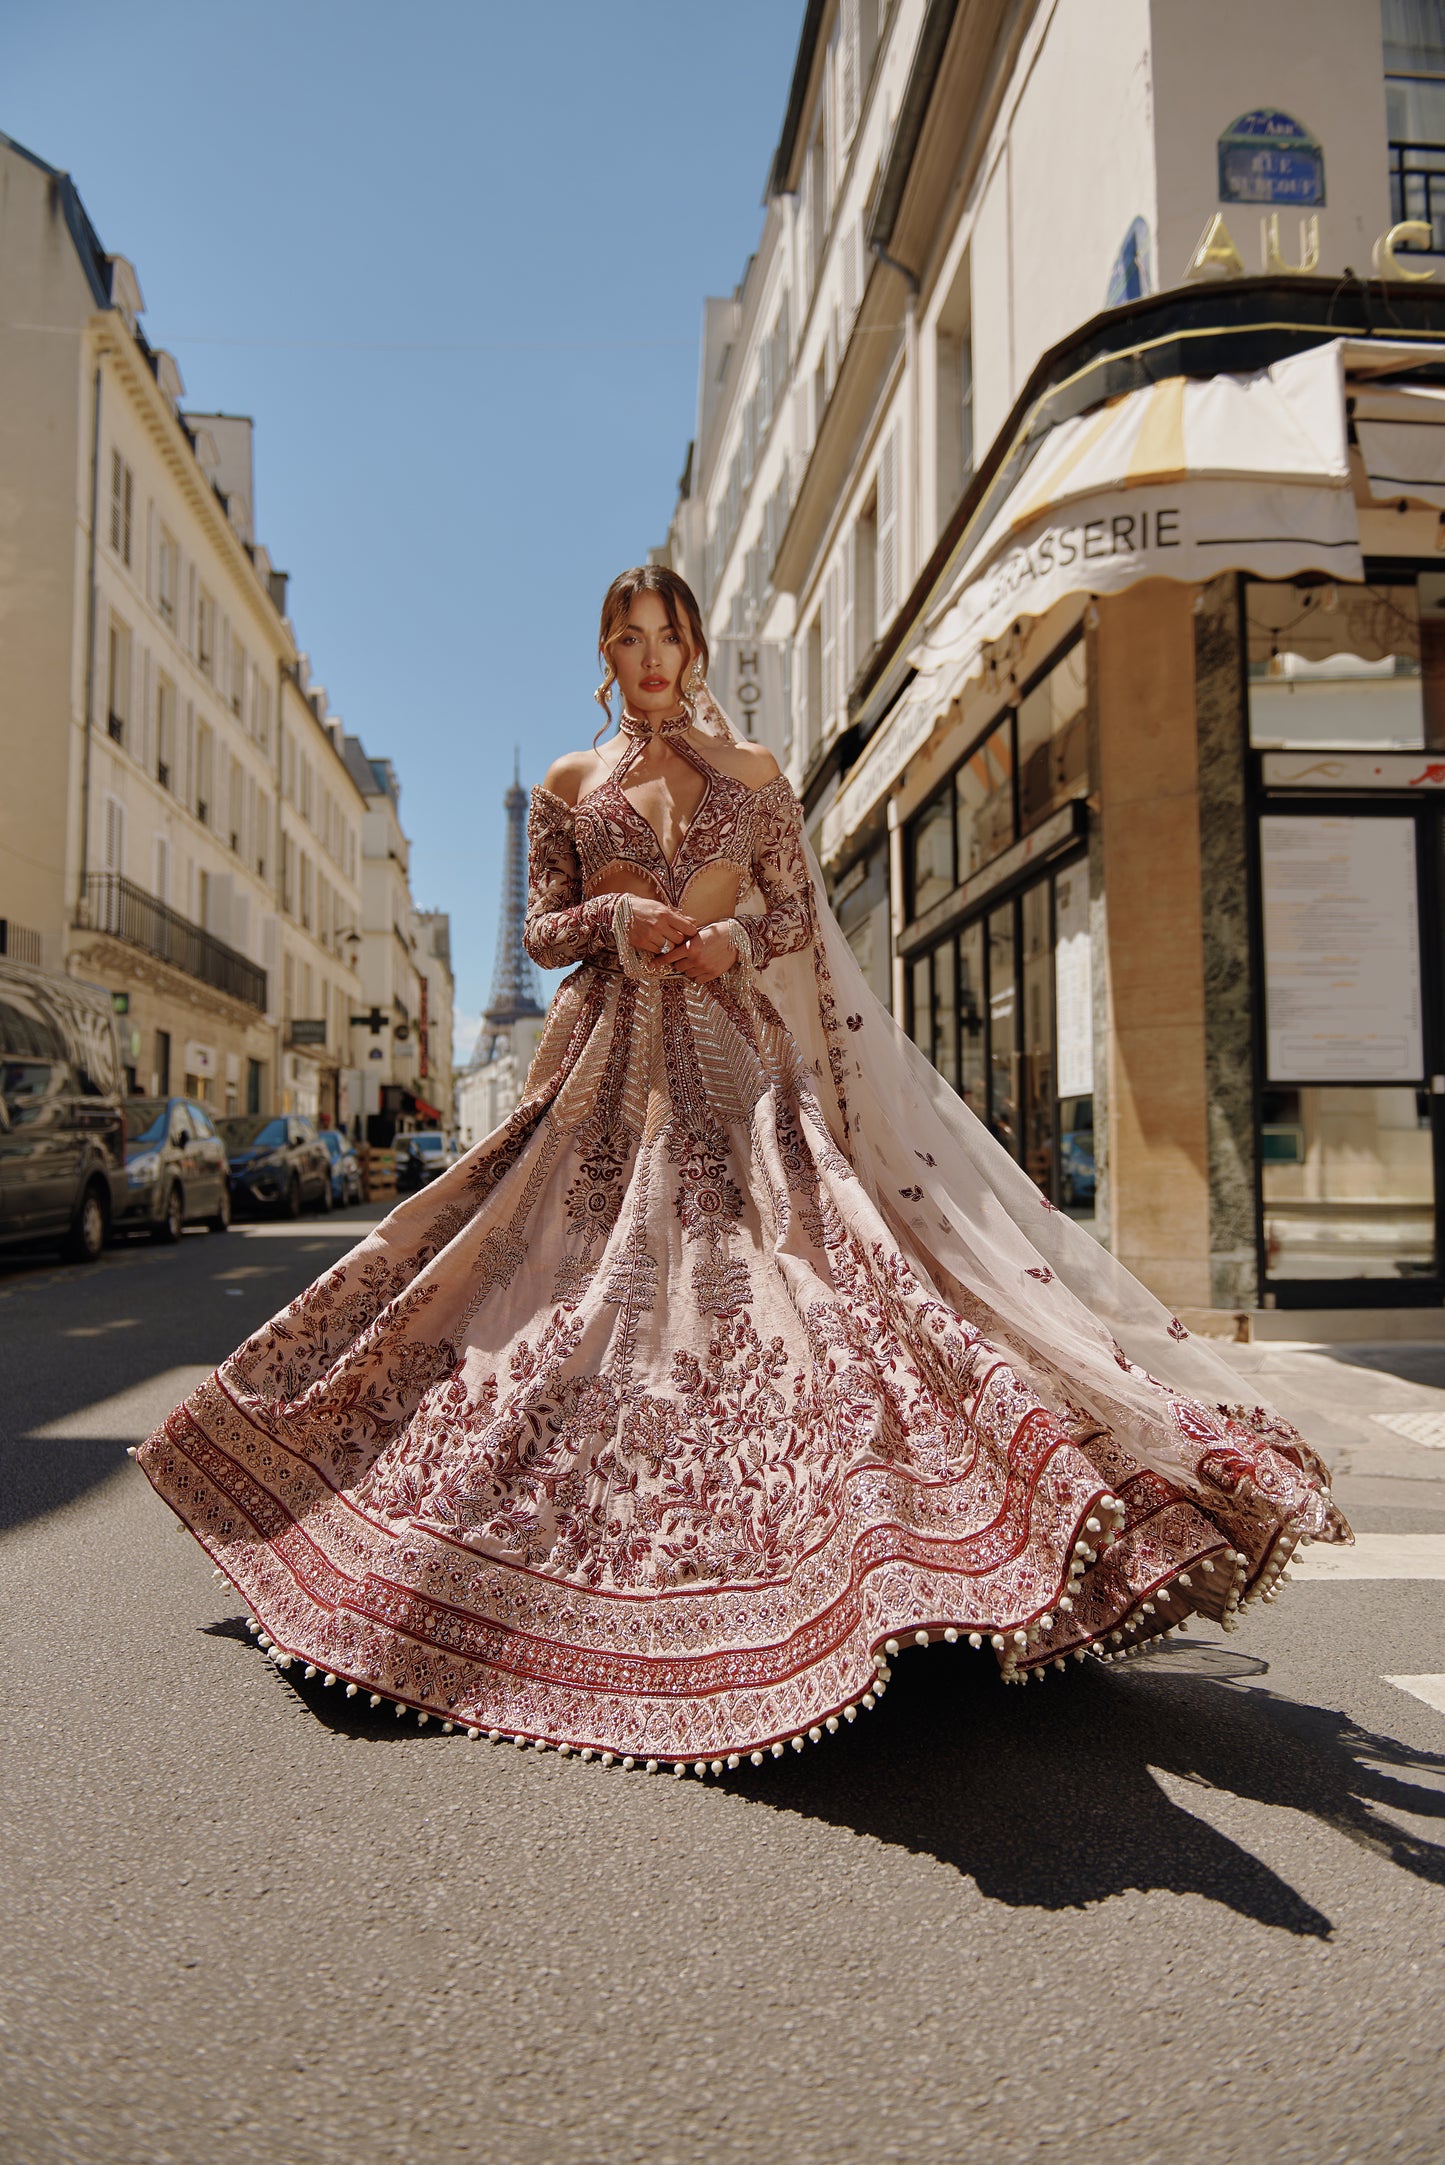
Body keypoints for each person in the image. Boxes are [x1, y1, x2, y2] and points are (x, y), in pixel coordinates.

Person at [135, 567, 1350, 1774]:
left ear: (697, 645)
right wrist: (614, 924)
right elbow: (546, 921)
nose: (650, 656)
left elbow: (790, 916)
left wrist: (727, 938)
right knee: (524, 1283)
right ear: (603, 654)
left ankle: (870, 1556)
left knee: (802, 1286)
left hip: (733, 1057)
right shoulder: (567, 784)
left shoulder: (756, 777)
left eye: (667, 635)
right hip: (602, 1065)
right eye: (627, 637)